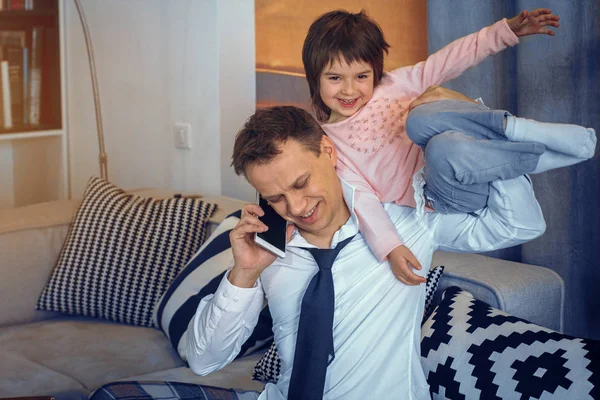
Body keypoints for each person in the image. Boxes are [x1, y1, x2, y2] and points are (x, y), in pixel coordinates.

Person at [184, 103, 547, 399]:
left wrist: (490, 146)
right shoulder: (271, 248)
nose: (295, 206)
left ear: (327, 150)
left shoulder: (406, 221)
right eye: (276, 197)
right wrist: (244, 274)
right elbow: (203, 361)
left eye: (301, 183)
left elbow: (521, 225)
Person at [301, 9, 596, 286]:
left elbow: (450, 59)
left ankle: (519, 130)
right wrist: (391, 247)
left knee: (424, 122)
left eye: (361, 76)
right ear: (316, 78)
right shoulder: (331, 143)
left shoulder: (395, 84)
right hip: (445, 193)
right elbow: (361, 200)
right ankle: (534, 155)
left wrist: (506, 31)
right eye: (335, 78)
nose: (349, 90)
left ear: (375, 72)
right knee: (439, 149)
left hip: (462, 153)